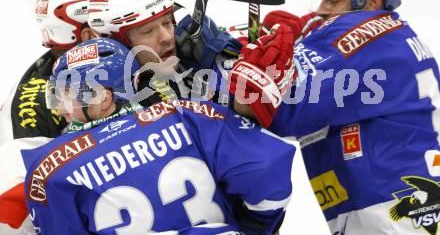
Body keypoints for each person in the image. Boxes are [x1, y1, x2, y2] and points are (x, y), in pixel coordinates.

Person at [230, 0, 440, 234]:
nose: (321, 10)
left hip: (393, 216)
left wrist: (244, 72)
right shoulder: (387, 36)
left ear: (372, 1)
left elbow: (281, 110)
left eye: (333, 0)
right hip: (405, 207)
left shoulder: (364, 36)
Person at [23, 38, 295, 235]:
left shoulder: (49, 168)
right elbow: (268, 169)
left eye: (64, 95)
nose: (58, 109)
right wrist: (255, 228)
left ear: (102, 98)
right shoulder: (188, 114)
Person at [0, 0, 100, 233]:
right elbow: (12, 214)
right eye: (104, 22)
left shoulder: (87, 65)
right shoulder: (35, 105)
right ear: (86, 35)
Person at [87, 0, 242, 107]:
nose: (166, 37)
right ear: (118, 43)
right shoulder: (99, 100)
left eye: (167, 23)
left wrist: (223, 61)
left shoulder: (192, 58)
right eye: (148, 31)